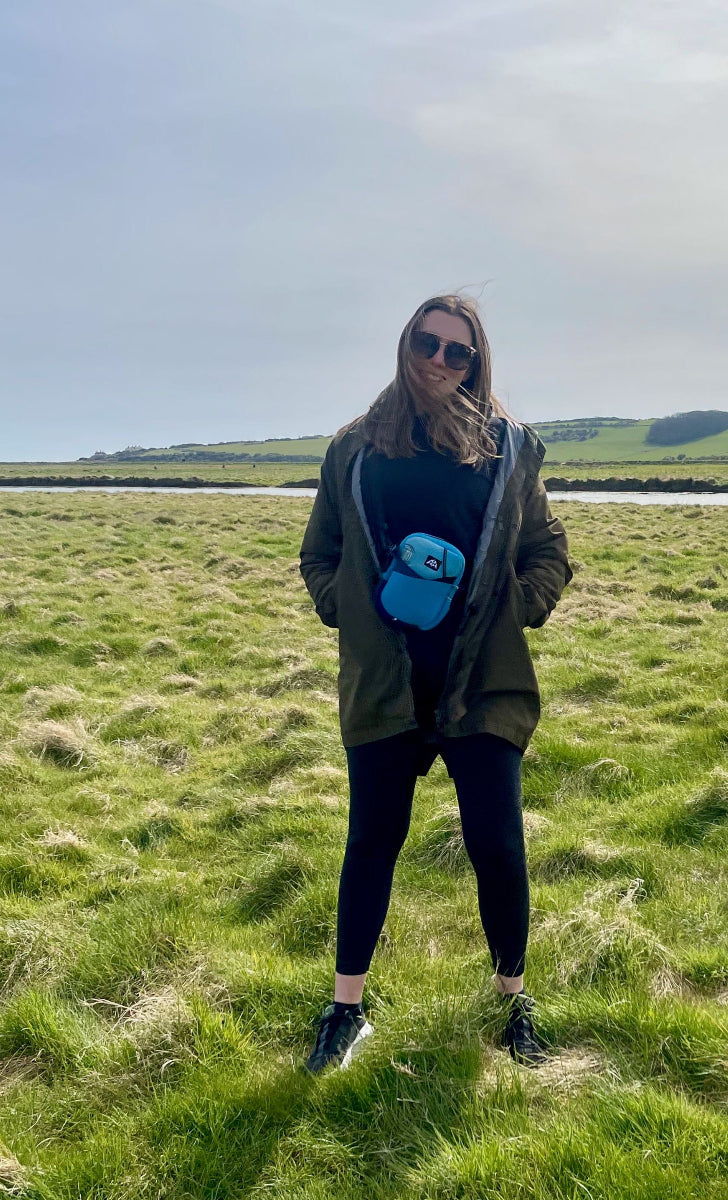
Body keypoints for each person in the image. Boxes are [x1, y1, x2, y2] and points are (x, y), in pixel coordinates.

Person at [297, 294, 573, 1074]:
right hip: (385, 683)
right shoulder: (355, 449)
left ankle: (511, 1000)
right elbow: (318, 553)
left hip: (484, 682)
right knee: (372, 842)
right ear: (405, 343)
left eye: (462, 353)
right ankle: (345, 1010)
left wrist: (516, 608)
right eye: (430, 343)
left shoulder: (507, 450)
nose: (442, 362)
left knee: (496, 842)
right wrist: (344, 609)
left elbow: (549, 548)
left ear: (478, 363)